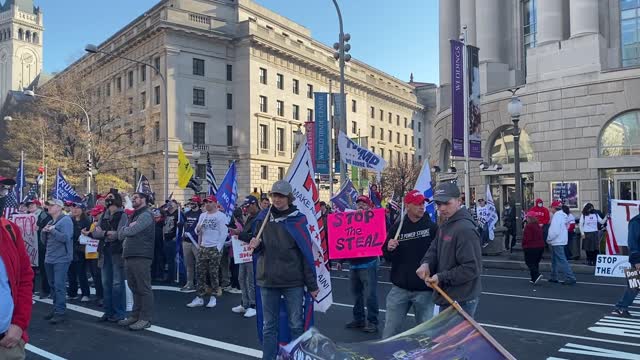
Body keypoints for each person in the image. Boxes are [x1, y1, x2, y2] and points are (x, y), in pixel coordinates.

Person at [249, 180, 319, 360]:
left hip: (292, 281)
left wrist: (312, 284)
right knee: (269, 326)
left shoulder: (298, 219)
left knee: (296, 324)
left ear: (288, 198)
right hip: (267, 279)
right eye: (274, 195)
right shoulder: (263, 218)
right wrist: (255, 245)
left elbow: (305, 253)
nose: (277, 199)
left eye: (280, 196)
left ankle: (296, 357)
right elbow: (258, 247)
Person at [417, 182, 482, 318]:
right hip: (448, 295)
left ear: (459, 201)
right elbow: (434, 247)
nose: (442, 208)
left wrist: (441, 277)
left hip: (461, 298)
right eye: (439, 204)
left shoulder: (465, 229)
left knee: (454, 339)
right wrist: (426, 263)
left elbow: (472, 268)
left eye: (447, 203)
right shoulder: (447, 223)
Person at [382, 190, 438, 338]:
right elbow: (386, 256)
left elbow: (439, 255)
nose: (422, 206)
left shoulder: (432, 228)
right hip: (399, 289)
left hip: (424, 291)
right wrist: (389, 247)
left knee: (426, 336)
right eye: (417, 203)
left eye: (423, 203)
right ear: (407, 206)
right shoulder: (397, 227)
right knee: (390, 332)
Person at [337, 195, 380, 333]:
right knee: (356, 294)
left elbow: (380, 233)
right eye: (359, 204)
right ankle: (359, 319)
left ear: (370, 206)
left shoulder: (374, 219)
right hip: (354, 264)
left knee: (370, 295)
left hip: (369, 263)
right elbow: (344, 240)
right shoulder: (349, 220)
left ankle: (372, 321)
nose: (360, 206)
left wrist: (367, 217)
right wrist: (341, 260)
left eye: (364, 204)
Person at [85, 192, 128, 322]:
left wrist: (102, 233)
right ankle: (108, 311)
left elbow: (119, 234)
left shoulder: (123, 215)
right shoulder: (104, 215)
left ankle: (119, 312)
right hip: (104, 251)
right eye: (106, 198)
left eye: (110, 198)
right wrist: (106, 233)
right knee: (106, 283)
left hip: (117, 252)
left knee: (117, 283)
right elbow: (95, 232)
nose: (107, 200)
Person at [117, 192, 155, 330]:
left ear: (144, 200)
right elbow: (121, 234)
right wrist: (128, 228)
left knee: (144, 288)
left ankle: (145, 318)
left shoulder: (146, 215)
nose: (133, 199)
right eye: (132, 198)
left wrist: (127, 229)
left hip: (141, 255)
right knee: (134, 288)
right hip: (130, 254)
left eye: (136, 198)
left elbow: (130, 231)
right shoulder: (133, 215)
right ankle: (135, 315)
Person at [0, 208, 34, 360]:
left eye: (3, 189)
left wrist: (19, 324)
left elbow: (25, 279)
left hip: (7, 341)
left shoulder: (10, 230)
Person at [187, 195, 228, 308]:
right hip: (203, 247)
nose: (207, 204)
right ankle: (199, 296)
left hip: (214, 247)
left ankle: (213, 297)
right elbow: (197, 230)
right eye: (206, 202)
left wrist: (218, 248)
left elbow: (224, 233)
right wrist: (197, 230)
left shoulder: (221, 216)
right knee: (200, 272)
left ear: (215, 203)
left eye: (210, 202)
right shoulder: (203, 215)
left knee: (213, 273)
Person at [42, 199, 74, 324]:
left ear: (59, 207)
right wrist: (44, 232)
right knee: (53, 285)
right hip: (50, 257)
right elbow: (44, 242)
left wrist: (52, 230)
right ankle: (56, 308)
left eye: (51, 205)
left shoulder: (66, 220)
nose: (48, 207)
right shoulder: (50, 221)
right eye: (48, 205)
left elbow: (66, 238)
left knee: (59, 285)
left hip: (61, 258)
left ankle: (60, 311)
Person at [229, 195, 259, 317]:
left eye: (247, 207)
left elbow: (255, 237)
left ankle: (253, 305)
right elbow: (247, 234)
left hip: (252, 254)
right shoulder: (250, 217)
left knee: (251, 280)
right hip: (244, 253)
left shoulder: (258, 218)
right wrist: (240, 234)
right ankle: (244, 303)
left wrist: (240, 234)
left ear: (254, 204)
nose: (245, 209)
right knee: (242, 278)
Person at [67, 203, 100, 302]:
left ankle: (87, 294)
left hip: (85, 248)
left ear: (82, 209)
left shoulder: (87, 220)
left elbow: (92, 235)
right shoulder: (69, 220)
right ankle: (73, 293)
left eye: (77, 208)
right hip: (73, 248)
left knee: (85, 273)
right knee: (73, 272)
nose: (75, 210)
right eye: (73, 208)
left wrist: (86, 234)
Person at [612, 204, 640, 318]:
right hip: (638, 259)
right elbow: (632, 243)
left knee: (634, 286)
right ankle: (621, 307)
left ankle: (621, 307)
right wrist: (637, 261)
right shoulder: (636, 222)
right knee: (634, 286)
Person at [26, 199, 52, 299]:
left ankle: (46, 290)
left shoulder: (44, 215)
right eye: (29, 205)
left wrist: (40, 229)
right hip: (30, 246)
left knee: (43, 269)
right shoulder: (26, 216)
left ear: (37, 205)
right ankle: (30, 290)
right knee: (30, 268)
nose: (30, 207)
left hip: (41, 246)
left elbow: (50, 228)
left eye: (32, 205)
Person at [547, 200, 577, 285]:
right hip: (560, 240)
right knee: (555, 260)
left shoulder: (557, 217)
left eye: (551, 207)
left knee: (561, 260)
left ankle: (570, 277)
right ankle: (554, 276)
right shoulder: (563, 216)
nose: (550, 209)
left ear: (554, 208)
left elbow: (555, 231)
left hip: (556, 241)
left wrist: (549, 239)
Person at [181, 196, 202, 291]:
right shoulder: (187, 213)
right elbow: (184, 225)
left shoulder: (201, 214)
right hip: (186, 241)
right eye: (190, 202)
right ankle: (189, 283)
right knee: (188, 264)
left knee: (199, 264)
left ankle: (199, 283)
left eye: (193, 202)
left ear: (197, 203)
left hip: (197, 242)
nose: (191, 203)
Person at [523, 211, 544, 284]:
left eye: (527, 217)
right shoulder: (538, 225)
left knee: (529, 262)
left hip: (531, 247)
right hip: (540, 246)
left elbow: (527, 238)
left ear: (529, 218)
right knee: (535, 262)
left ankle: (537, 274)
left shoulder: (528, 226)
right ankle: (534, 278)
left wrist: (524, 245)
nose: (526, 219)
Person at [162, 200, 180, 283]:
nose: (169, 204)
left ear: (176, 205)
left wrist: (177, 237)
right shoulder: (166, 213)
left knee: (172, 259)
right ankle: (168, 276)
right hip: (166, 238)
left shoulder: (178, 214)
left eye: (171, 202)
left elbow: (180, 226)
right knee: (168, 258)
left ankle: (172, 277)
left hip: (173, 239)